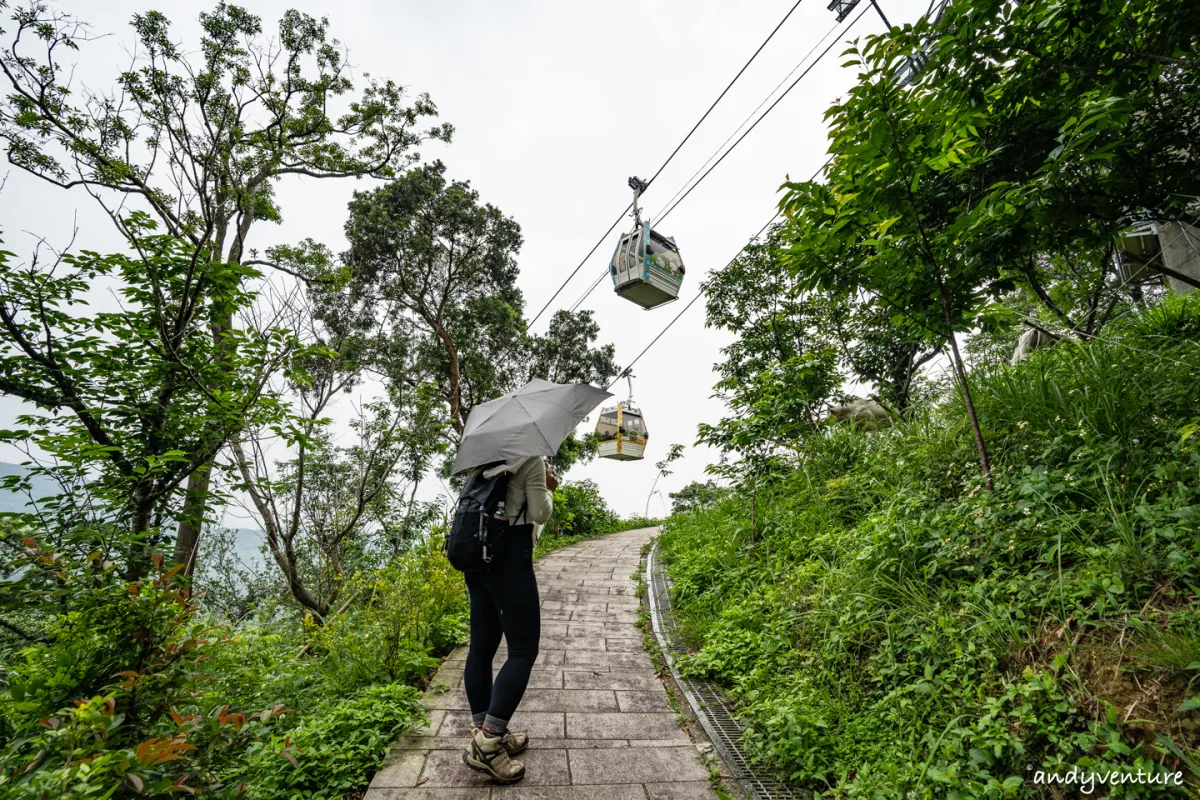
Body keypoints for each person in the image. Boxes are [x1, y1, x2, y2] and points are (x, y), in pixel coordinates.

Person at [461, 455, 557, 784]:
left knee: (481, 648)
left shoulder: (485, 459)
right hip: (509, 557)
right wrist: (548, 486)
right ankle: (488, 743)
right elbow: (540, 512)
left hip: (477, 555)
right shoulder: (531, 459)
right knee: (523, 651)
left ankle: (483, 731)